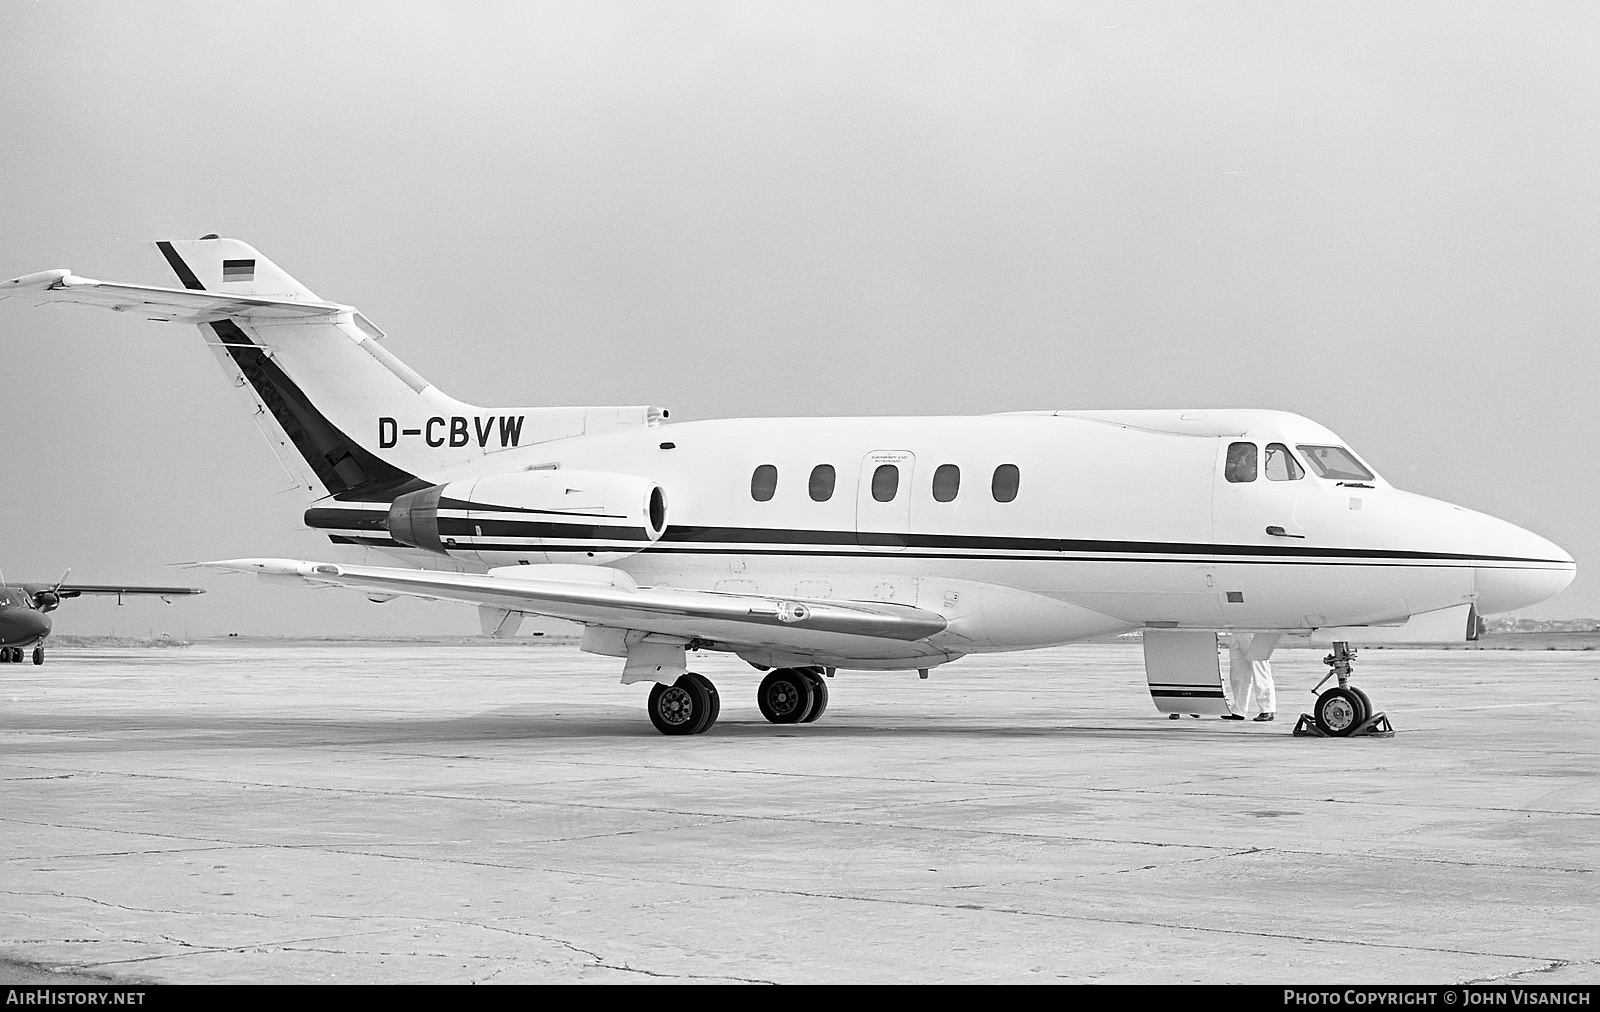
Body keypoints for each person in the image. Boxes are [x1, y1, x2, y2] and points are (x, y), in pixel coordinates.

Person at [1221, 632, 1277, 721]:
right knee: (1238, 673)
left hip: (1255, 630)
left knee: (1260, 671)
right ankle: (1239, 710)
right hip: (1237, 630)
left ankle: (1267, 709)